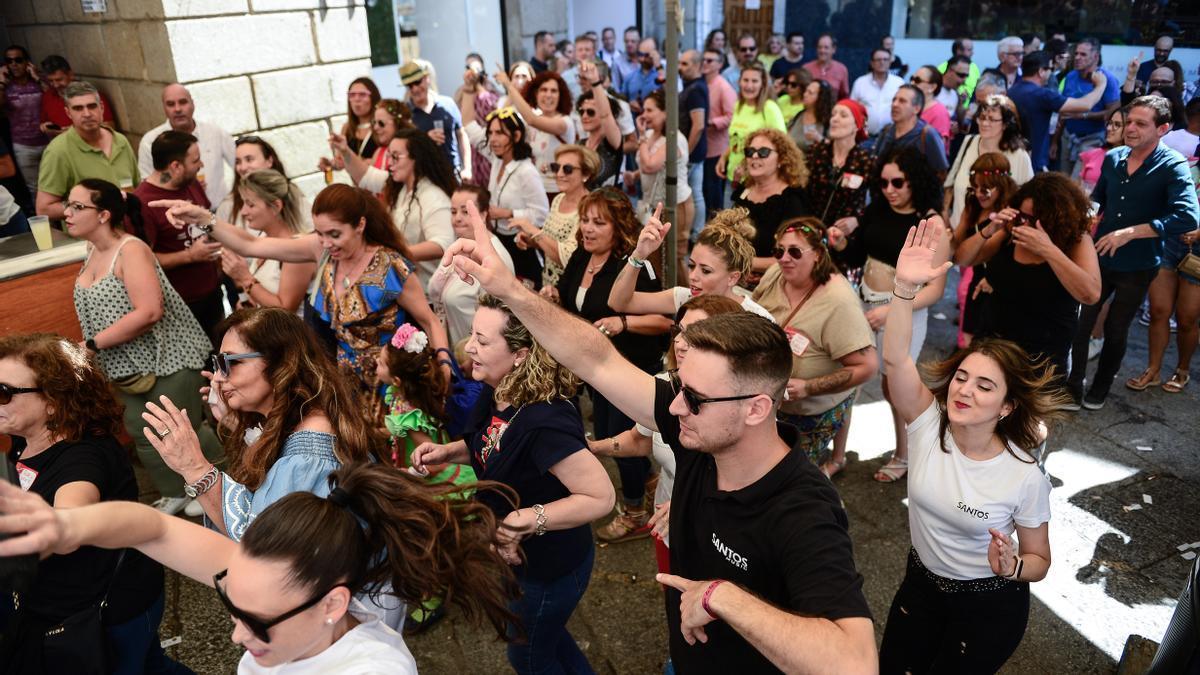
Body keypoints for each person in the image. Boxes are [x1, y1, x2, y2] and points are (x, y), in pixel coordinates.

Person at [435, 211, 877, 672]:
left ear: (756, 409)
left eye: (696, 398)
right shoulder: (698, 433)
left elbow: (855, 662)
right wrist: (509, 290)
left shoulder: (803, 507)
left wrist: (720, 596)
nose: (674, 407)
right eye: (680, 387)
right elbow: (598, 361)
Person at [0, 461, 524, 675]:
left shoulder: (374, 670)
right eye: (231, 605)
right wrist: (68, 528)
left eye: (255, 621)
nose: (234, 635)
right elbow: (151, 528)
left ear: (333, 605)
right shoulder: (273, 586)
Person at [877, 218, 1057, 674]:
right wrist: (903, 288)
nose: (964, 390)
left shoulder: (1023, 475)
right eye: (961, 377)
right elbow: (896, 358)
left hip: (988, 604)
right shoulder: (926, 424)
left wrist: (1014, 568)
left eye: (983, 386)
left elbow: (1040, 559)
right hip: (919, 585)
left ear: (1006, 407)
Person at [412, 294, 615, 674]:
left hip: (549, 568)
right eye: (473, 334)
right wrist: (448, 452)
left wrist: (523, 520)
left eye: (483, 341)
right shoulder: (498, 387)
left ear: (520, 353)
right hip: (517, 561)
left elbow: (601, 497)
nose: (469, 347)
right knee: (548, 637)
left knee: (527, 655)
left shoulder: (544, 421)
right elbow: (490, 440)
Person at [0, 334, 188, 674]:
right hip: (79, 597)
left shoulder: (82, 461)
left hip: (110, 605)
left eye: (4, 393)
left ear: (53, 401)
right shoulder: (26, 439)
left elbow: (70, 514)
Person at [152, 184, 451, 394]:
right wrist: (202, 217)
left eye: (335, 234)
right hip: (346, 389)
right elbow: (251, 244)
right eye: (320, 233)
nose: (327, 242)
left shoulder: (390, 266)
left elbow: (429, 321)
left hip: (394, 389)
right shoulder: (320, 251)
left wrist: (445, 367)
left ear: (360, 225)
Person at [67, 178, 222, 515]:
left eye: (77, 206)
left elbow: (150, 311)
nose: (67, 213)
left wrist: (91, 345)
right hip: (125, 365)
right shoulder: (92, 249)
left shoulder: (132, 249)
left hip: (167, 356)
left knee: (182, 428)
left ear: (104, 214)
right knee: (142, 432)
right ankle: (175, 491)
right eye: (68, 205)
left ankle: (220, 485)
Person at [590, 295, 745, 578]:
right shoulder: (665, 384)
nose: (681, 342)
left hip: (715, 538)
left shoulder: (741, 404)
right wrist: (593, 447)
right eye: (679, 331)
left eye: (697, 335)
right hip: (666, 526)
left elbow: (747, 483)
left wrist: (689, 503)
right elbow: (641, 440)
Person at [546, 189, 670, 542]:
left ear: (618, 227)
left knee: (620, 440)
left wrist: (624, 323)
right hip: (594, 369)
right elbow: (568, 294)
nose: (587, 228)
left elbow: (663, 321)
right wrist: (554, 297)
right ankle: (648, 483)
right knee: (608, 433)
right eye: (584, 220)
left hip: (629, 368)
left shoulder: (632, 266)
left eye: (598, 222)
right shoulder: (581, 259)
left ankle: (635, 514)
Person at [1066, 96, 1200, 409]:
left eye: (1141, 123)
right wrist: (1084, 222)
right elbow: (1097, 201)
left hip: (1139, 264)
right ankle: (1073, 387)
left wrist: (1132, 232)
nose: (1131, 129)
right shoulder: (1113, 158)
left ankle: (1099, 389)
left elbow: (1187, 217)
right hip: (1098, 257)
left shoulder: (1173, 165)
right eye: (1129, 122)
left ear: (1163, 128)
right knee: (1081, 324)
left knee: (1115, 329)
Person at [831, 147, 952, 483]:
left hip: (902, 310)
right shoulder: (879, 208)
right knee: (853, 374)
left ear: (914, 180)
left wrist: (891, 308)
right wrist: (841, 243)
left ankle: (906, 454)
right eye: (883, 182)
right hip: (865, 303)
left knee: (895, 385)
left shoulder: (931, 223)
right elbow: (858, 255)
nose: (889, 189)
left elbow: (935, 290)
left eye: (898, 182)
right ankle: (838, 453)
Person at [752, 217, 878, 473]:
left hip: (808, 413)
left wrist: (809, 387)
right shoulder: (777, 273)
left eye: (795, 252)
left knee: (790, 476)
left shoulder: (838, 302)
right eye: (779, 251)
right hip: (768, 399)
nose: (784, 258)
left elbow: (867, 367)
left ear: (818, 254)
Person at [955, 171, 1102, 381]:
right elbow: (963, 259)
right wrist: (989, 230)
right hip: (993, 342)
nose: (1025, 224)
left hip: (1041, 357)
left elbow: (1091, 294)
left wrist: (1048, 250)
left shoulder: (1076, 240)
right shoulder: (1011, 231)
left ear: (1057, 218)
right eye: (1021, 216)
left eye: (1034, 219)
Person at [609, 206, 775, 320]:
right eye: (691, 266)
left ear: (733, 277)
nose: (693, 276)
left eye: (706, 271)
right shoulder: (685, 297)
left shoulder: (756, 317)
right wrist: (640, 254)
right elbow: (618, 302)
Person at [134, 130, 225, 338]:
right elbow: (141, 261)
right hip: (181, 305)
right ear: (175, 166)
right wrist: (190, 256)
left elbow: (208, 220)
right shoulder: (143, 203)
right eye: (195, 160)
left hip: (212, 293)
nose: (201, 165)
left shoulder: (190, 183)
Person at [350, 127, 455, 286]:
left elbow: (443, 244)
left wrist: (391, 254)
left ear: (416, 158)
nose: (389, 163)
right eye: (389, 156)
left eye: (395, 157)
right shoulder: (402, 187)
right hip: (406, 285)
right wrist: (344, 151)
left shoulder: (433, 196)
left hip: (429, 293)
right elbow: (367, 176)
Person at [463, 107, 549, 287]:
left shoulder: (527, 172)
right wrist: (469, 90)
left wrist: (508, 213)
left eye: (500, 133)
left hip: (521, 244)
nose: (493, 139)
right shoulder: (498, 159)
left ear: (516, 136)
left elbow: (542, 214)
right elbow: (470, 127)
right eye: (490, 132)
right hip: (499, 239)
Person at [36, 81, 138, 220]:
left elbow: (137, 188)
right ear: (68, 113)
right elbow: (44, 209)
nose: (87, 114)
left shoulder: (120, 140)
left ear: (101, 108)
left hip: (129, 233)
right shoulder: (58, 151)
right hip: (90, 239)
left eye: (92, 106)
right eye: (78, 108)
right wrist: (89, 206)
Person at [428, 185, 516, 345]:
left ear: (483, 214)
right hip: (450, 349)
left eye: (465, 211)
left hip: (479, 356)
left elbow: (502, 321)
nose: (457, 218)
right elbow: (435, 292)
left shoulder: (496, 258)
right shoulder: (456, 245)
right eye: (453, 212)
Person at [219, 170, 316, 314]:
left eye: (250, 205)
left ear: (276, 206)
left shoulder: (296, 250)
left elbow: (286, 311)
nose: (244, 212)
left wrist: (245, 278)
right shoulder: (264, 241)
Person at [1008, 50, 1111, 173]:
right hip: (1034, 162)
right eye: (1050, 68)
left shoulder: (1012, 91)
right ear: (1041, 71)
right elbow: (1085, 105)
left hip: (1013, 156)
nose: (1051, 73)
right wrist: (1101, 85)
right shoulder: (1042, 95)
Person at [512, 143, 596, 289]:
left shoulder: (589, 209)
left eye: (568, 169)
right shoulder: (558, 199)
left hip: (569, 288)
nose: (559, 174)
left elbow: (568, 258)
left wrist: (533, 230)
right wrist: (530, 240)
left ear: (586, 174)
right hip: (548, 283)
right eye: (557, 167)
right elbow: (551, 240)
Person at [137, 83, 236, 207]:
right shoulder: (150, 141)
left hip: (219, 212)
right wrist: (184, 183)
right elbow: (149, 183)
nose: (177, 109)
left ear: (193, 104)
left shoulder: (215, 132)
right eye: (170, 104)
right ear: (164, 108)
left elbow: (239, 166)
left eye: (183, 102)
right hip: (176, 217)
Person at [944, 94, 1034, 227]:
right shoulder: (969, 142)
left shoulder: (1019, 156)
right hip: (957, 230)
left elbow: (1027, 200)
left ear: (1005, 124)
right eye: (981, 118)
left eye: (992, 119)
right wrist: (945, 214)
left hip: (994, 239)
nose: (985, 123)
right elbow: (950, 184)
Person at [806, 99, 874, 272]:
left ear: (857, 126)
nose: (835, 119)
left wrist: (858, 220)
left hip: (843, 240)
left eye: (843, 115)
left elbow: (882, 202)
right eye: (833, 114)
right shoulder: (817, 151)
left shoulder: (866, 160)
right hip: (809, 232)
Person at [731, 127, 810, 276]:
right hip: (736, 276)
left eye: (763, 152)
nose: (754, 156)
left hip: (772, 284)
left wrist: (741, 261)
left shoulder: (792, 200)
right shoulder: (744, 191)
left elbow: (794, 257)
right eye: (750, 151)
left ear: (781, 159)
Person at [488, 68, 575, 197]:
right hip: (536, 190)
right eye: (543, 90)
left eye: (554, 91)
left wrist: (509, 85)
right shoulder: (532, 123)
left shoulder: (565, 122)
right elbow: (500, 120)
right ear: (535, 94)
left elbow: (532, 119)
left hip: (559, 191)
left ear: (561, 96)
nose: (548, 95)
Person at [637, 89, 694, 274]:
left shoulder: (674, 139)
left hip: (676, 206)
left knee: (674, 260)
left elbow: (650, 165)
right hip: (655, 204)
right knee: (655, 258)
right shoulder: (653, 133)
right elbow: (650, 166)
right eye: (643, 110)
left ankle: (690, 298)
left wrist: (642, 137)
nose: (644, 115)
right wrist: (633, 175)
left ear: (666, 112)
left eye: (650, 110)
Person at [217, 135, 311, 232]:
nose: (243, 167)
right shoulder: (228, 206)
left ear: (269, 161)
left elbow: (314, 233)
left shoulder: (291, 195)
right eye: (238, 162)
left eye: (249, 159)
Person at [1058, 39, 1122, 177]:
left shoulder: (1107, 79)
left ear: (1096, 56)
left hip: (1092, 138)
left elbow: (1113, 113)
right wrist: (1054, 142)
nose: (1077, 58)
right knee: (1063, 180)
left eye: (1083, 54)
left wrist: (1084, 116)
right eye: (1076, 54)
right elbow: (1063, 111)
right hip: (1068, 136)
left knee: (1077, 182)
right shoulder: (1070, 76)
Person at [326, 98, 412, 199]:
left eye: (381, 123)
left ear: (398, 123)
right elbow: (362, 176)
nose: (375, 128)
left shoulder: (410, 149)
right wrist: (344, 151)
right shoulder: (379, 152)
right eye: (374, 122)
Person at [718, 62, 787, 186]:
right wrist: (724, 157)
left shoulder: (770, 108)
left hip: (757, 181)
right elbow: (736, 139)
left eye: (754, 81)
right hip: (733, 177)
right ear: (739, 82)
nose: (749, 85)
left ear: (763, 84)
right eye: (745, 80)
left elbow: (782, 146)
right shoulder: (738, 105)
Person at [400, 61, 468, 179]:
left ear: (427, 79)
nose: (415, 89)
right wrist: (425, 139)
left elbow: (461, 134)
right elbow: (402, 148)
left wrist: (467, 168)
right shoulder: (405, 114)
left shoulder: (448, 104)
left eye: (417, 82)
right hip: (424, 178)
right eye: (410, 85)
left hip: (453, 173)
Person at [0, 45, 48, 201]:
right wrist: (1, 83)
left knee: (57, 184)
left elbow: (54, 97)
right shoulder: (6, 88)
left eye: (18, 60)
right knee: (35, 189)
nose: (14, 64)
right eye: (9, 61)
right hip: (23, 146)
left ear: (27, 62)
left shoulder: (38, 82)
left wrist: (38, 77)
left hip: (48, 141)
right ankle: (45, 223)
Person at [871, 85, 950, 176]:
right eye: (894, 100)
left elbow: (941, 172)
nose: (895, 104)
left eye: (902, 101)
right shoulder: (886, 130)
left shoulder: (927, 134)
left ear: (916, 109)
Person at [38, 54, 115, 137]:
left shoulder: (90, 95)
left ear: (70, 75)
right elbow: (43, 122)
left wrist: (73, 132)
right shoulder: (47, 96)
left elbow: (109, 127)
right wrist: (45, 127)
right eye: (51, 81)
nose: (55, 85)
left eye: (59, 80)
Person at [576, 65, 626, 189]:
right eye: (582, 112)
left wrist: (595, 82)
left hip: (607, 206)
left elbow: (606, 115)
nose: (585, 116)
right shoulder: (579, 145)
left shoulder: (612, 143)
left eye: (591, 112)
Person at [454, 55, 499, 187]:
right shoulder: (462, 90)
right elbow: (459, 117)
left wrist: (479, 86)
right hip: (473, 146)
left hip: (490, 143)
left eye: (475, 67)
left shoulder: (490, 88)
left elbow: (496, 107)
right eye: (468, 67)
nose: (471, 71)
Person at [703, 47, 738, 214]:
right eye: (704, 59)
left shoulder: (724, 86)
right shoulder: (703, 83)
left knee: (714, 190)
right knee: (705, 189)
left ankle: (717, 224)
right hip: (704, 145)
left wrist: (711, 122)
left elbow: (732, 115)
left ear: (720, 64)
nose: (705, 63)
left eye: (710, 60)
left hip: (718, 147)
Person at [678, 50, 710, 234]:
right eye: (680, 63)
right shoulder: (692, 86)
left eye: (685, 64)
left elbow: (698, 125)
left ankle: (696, 233)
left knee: (694, 194)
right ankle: (695, 232)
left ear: (698, 65)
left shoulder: (696, 89)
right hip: (692, 150)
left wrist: (686, 153)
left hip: (692, 152)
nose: (680, 68)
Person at [851, 48, 905, 137]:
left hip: (892, 137)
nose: (882, 62)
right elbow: (852, 109)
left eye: (885, 59)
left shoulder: (899, 83)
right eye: (878, 60)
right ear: (872, 63)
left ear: (890, 62)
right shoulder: (860, 82)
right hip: (865, 136)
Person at [1076, 107, 1127, 194]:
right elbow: (1076, 187)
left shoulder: (1133, 160)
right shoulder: (1091, 154)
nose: (1109, 128)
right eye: (1109, 123)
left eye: (1117, 125)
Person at [336, 77, 383, 161]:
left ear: (373, 97)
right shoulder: (347, 128)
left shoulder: (382, 125)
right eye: (352, 95)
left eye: (362, 94)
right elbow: (340, 161)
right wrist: (331, 164)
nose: (357, 99)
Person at [912, 65, 953, 147]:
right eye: (912, 79)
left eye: (917, 80)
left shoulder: (939, 112)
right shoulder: (912, 106)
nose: (912, 83)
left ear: (932, 87)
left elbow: (938, 147)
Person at [622, 38, 664, 114]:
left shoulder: (664, 73)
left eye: (647, 55)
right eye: (640, 54)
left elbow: (671, 94)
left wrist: (658, 66)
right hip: (634, 122)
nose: (642, 59)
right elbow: (621, 103)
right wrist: (629, 105)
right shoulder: (629, 77)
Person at [789, 79, 833, 151]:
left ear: (820, 98)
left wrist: (820, 139)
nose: (805, 94)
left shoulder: (828, 121)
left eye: (810, 93)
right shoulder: (798, 116)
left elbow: (835, 148)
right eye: (806, 91)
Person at [803, 33, 851, 99]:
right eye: (820, 47)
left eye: (826, 47)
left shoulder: (841, 69)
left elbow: (844, 96)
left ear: (833, 49)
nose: (822, 50)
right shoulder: (806, 68)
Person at [561, 33, 599, 100]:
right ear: (575, 53)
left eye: (587, 49)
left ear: (593, 52)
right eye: (580, 50)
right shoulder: (565, 76)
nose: (584, 53)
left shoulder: (600, 74)